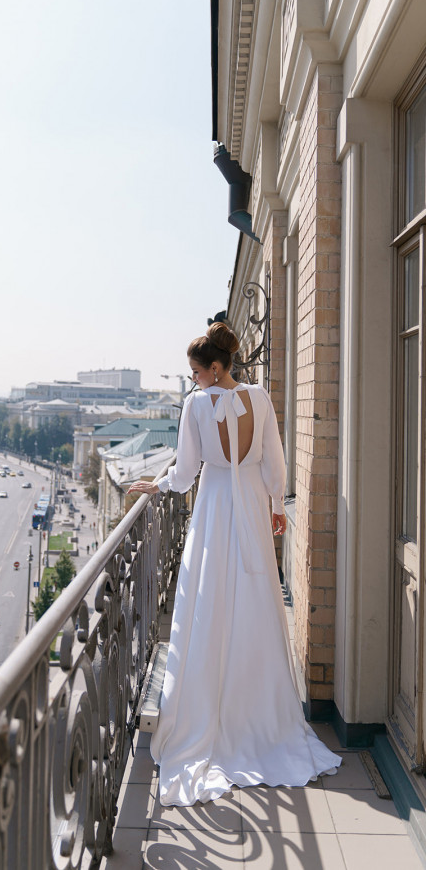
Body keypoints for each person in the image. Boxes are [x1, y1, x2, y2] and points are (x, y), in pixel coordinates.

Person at [128, 322, 340, 807]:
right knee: (256, 603)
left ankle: (207, 713)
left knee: (210, 601)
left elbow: (184, 474)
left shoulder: (196, 406)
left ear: (216, 367)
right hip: (248, 506)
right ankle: (261, 716)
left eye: (196, 372)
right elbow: (274, 462)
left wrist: (154, 485)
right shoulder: (260, 398)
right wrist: (277, 508)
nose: (193, 380)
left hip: (215, 505)